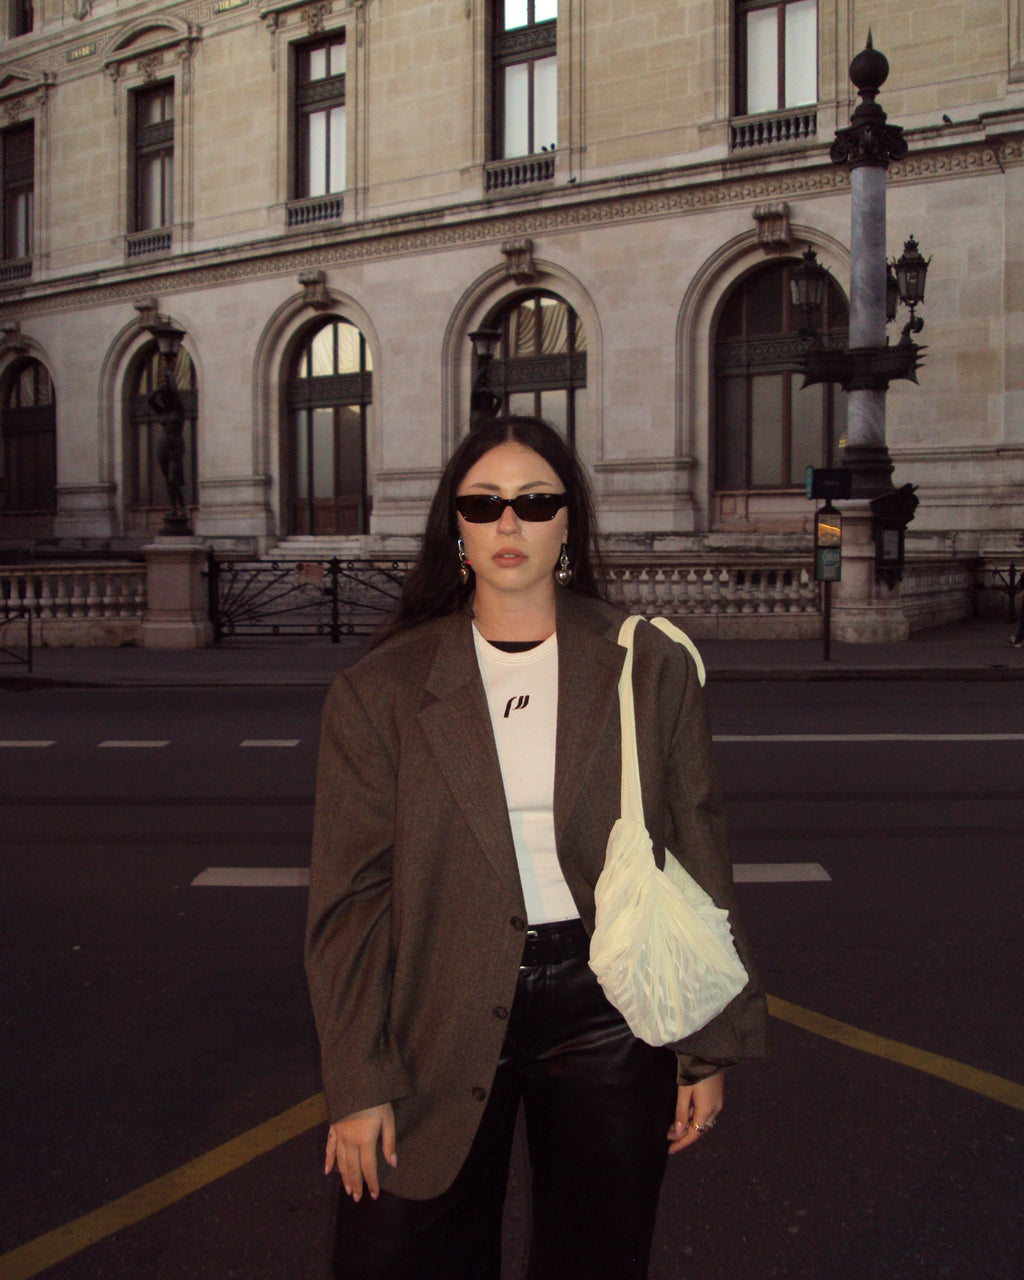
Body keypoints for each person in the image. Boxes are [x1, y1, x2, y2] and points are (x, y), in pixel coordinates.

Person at [305, 416, 767, 1280]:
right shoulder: (383, 690)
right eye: (484, 504)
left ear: (568, 523)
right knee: (403, 1251)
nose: (508, 523)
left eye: (534, 501)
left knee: (597, 1251)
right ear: (458, 528)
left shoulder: (644, 664)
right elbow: (350, 902)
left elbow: (695, 852)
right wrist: (356, 1080)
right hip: (433, 999)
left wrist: (705, 1044)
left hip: (607, 1006)